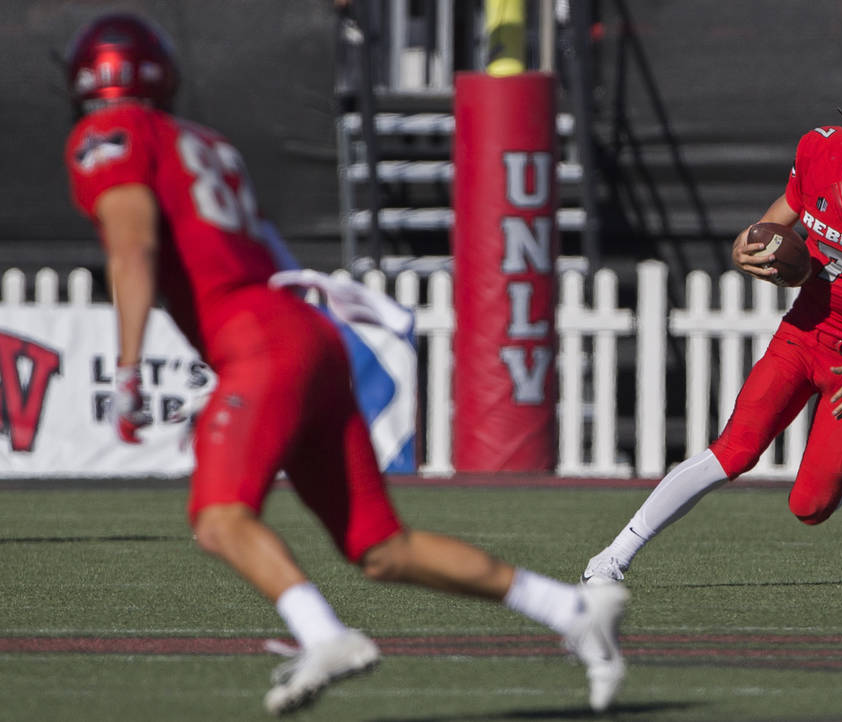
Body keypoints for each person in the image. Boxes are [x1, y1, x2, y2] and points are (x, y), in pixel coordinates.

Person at [63, 13, 627, 715]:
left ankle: (324, 636)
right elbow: (260, 250)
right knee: (382, 547)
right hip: (305, 333)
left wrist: (126, 367)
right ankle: (570, 609)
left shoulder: (106, 136)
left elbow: (132, 247)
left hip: (259, 339)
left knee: (219, 518)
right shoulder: (204, 142)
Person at [582, 65, 842, 584]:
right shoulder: (819, 151)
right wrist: (744, 247)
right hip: (803, 334)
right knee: (733, 449)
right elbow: (775, 221)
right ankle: (613, 557)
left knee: (810, 507)